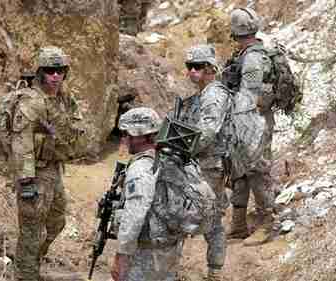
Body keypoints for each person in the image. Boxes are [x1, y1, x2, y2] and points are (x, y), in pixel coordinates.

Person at [10, 46, 84, 281]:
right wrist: (26, 181)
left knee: (56, 221)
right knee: (31, 230)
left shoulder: (64, 97)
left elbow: (77, 125)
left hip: (54, 170)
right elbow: (21, 144)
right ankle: (25, 275)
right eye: (50, 71)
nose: (55, 76)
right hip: (35, 173)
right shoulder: (31, 102)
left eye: (60, 70)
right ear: (40, 72)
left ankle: (30, 263)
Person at [111, 107, 183, 281]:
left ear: (142, 136)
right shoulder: (169, 158)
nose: (124, 139)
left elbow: (135, 215)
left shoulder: (141, 168)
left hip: (147, 250)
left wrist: (122, 255)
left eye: (127, 134)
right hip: (169, 245)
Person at [223, 7, 275, 246]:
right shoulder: (245, 54)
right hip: (244, 121)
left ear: (235, 31)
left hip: (253, 122)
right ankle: (239, 225)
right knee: (239, 171)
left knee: (258, 171)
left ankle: (267, 225)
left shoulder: (253, 58)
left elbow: (249, 96)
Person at [182, 44, 229, 281]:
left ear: (210, 68)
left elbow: (207, 132)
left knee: (211, 218)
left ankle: (215, 271)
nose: (192, 71)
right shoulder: (200, 95)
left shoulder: (214, 95)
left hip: (209, 166)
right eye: (189, 66)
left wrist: (183, 149)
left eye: (197, 66)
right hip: (197, 163)